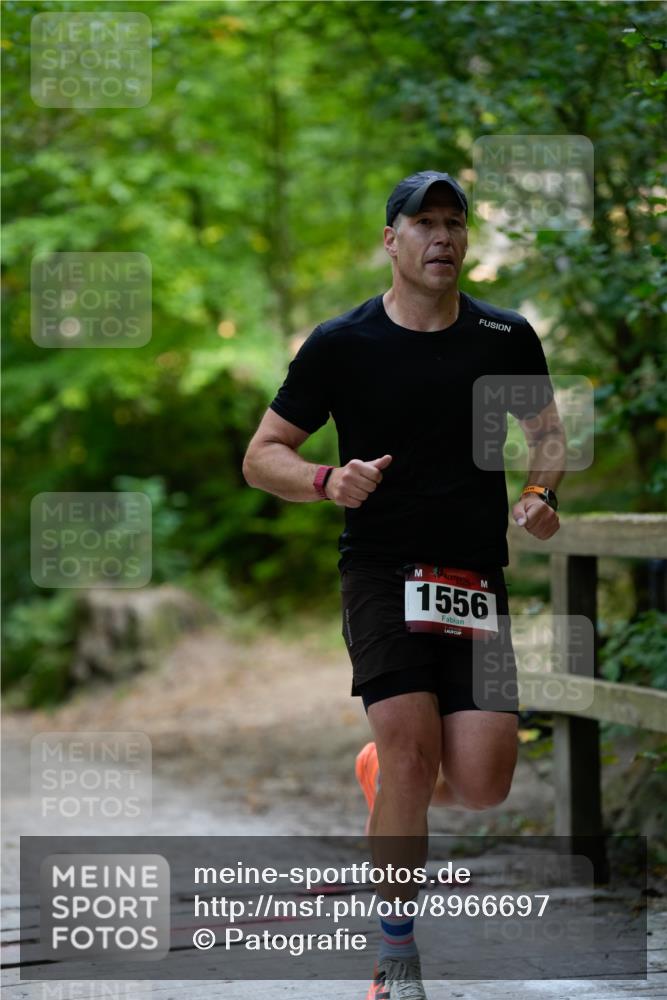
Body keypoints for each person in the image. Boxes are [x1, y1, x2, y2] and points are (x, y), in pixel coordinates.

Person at [242, 170, 565, 1000]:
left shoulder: (502, 336)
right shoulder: (341, 344)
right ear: (391, 241)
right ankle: (395, 958)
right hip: (382, 572)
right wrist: (323, 482)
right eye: (424, 222)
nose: (442, 237)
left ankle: (383, 773)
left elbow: (546, 435)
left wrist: (537, 496)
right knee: (413, 754)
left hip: (472, 578)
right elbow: (261, 455)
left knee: (487, 782)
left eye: (453, 223)